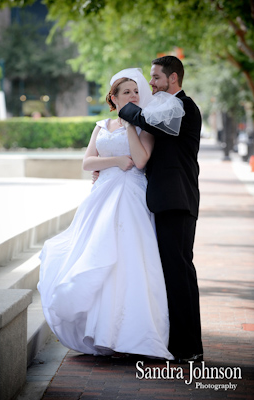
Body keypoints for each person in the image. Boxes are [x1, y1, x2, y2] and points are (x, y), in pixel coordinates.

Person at [37, 68, 174, 360]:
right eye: (127, 92)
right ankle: (103, 333)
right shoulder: (101, 124)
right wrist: (114, 160)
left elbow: (139, 161)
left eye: (137, 92)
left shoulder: (145, 126)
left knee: (128, 262)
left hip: (131, 198)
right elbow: (88, 163)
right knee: (98, 257)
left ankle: (131, 334)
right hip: (102, 197)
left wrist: (129, 127)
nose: (134, 96)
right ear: (113, 97)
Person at [119, 56, 203, 363]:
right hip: (165, 200)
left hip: (177, 200)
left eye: (156, 77)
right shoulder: (168, 106)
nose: (151, 83)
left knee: (180, 272)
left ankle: (190, 347)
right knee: (171, 272)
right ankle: (177, 342)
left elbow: (148, 122)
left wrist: (124, 108)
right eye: (152, 78)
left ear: (174, 78)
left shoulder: (182, 107)